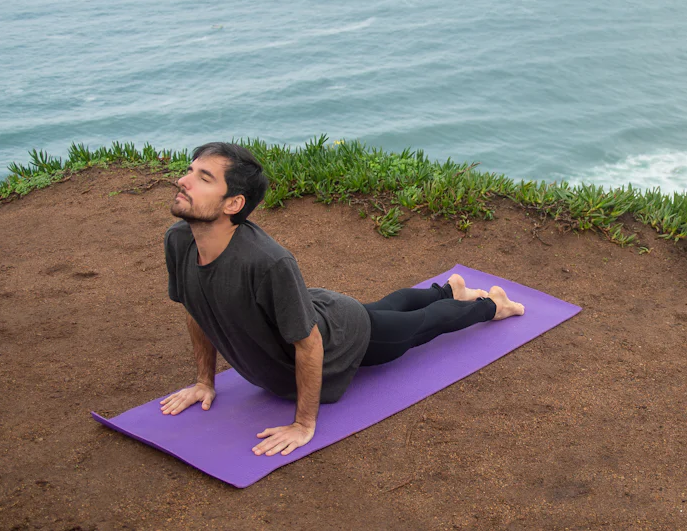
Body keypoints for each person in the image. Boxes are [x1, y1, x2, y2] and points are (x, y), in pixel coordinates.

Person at [159, 142, 525, 457]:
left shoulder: (268, 263)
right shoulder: (179, 239)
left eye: (203, 178)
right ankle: (447, 290)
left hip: (342, 340)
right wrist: (204, 382)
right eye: (190, 171)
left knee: (418, 327)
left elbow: (310, 343)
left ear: (233, 203)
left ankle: (493, 306)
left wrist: (304, 424)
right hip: (320, 310)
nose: (183, 180)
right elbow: (197, 308)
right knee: (384, 310)